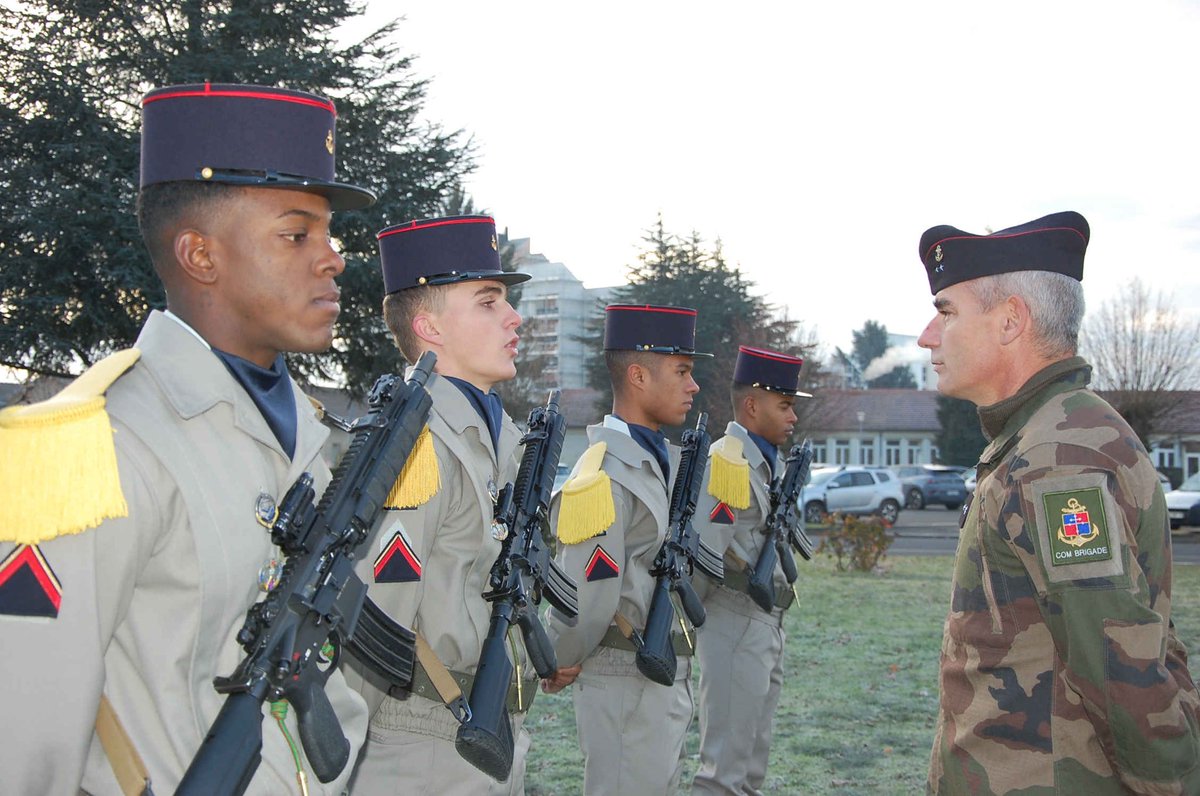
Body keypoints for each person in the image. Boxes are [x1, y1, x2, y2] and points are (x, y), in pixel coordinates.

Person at [0, 82, 374, 794]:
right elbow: (22, 738)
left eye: (329, 235)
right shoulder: (95, 449)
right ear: (201, 256)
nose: (332, 258)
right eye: (297, 234)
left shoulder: (304, 429)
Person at [917, 211, 1200, 794]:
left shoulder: (1059, 456)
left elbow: (1118, 662)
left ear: (1010, 321)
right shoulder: (1045, 434)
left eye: (946, 311)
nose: (927, 335)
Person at [343, 214, 535, 795]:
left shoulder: (497, 435)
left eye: (505, 300)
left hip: (487, 731)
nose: (513, 317)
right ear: (429, 326)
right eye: (487, 302)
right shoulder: (414, 445)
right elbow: (373, 623)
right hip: (418, 749)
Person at [542, 303, 709, 795]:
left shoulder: (660, 461)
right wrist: (562, 655)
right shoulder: (601, 475)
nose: (693, 385)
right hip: (622, 673)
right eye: (682, 371)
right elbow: (586, 593)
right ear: (638, 375)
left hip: (657, 669)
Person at [690, 345, 808, 795]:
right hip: (734, 621)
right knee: (724, 771)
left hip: (763, 622)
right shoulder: (728, 463)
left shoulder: (763, 464)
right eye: (785, 405)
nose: (793, 416)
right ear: (753, 405)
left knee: (750, 768)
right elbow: (704, 556)